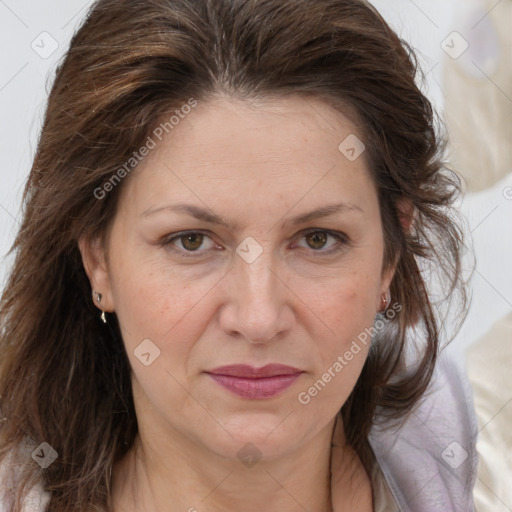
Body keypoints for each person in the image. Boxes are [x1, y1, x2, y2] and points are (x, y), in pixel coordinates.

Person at [0, 0, 478, 510]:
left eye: (318, 239)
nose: (259, 318)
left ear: (390, 254)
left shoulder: (448, 441)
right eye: (192, 241)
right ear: (98, 259)